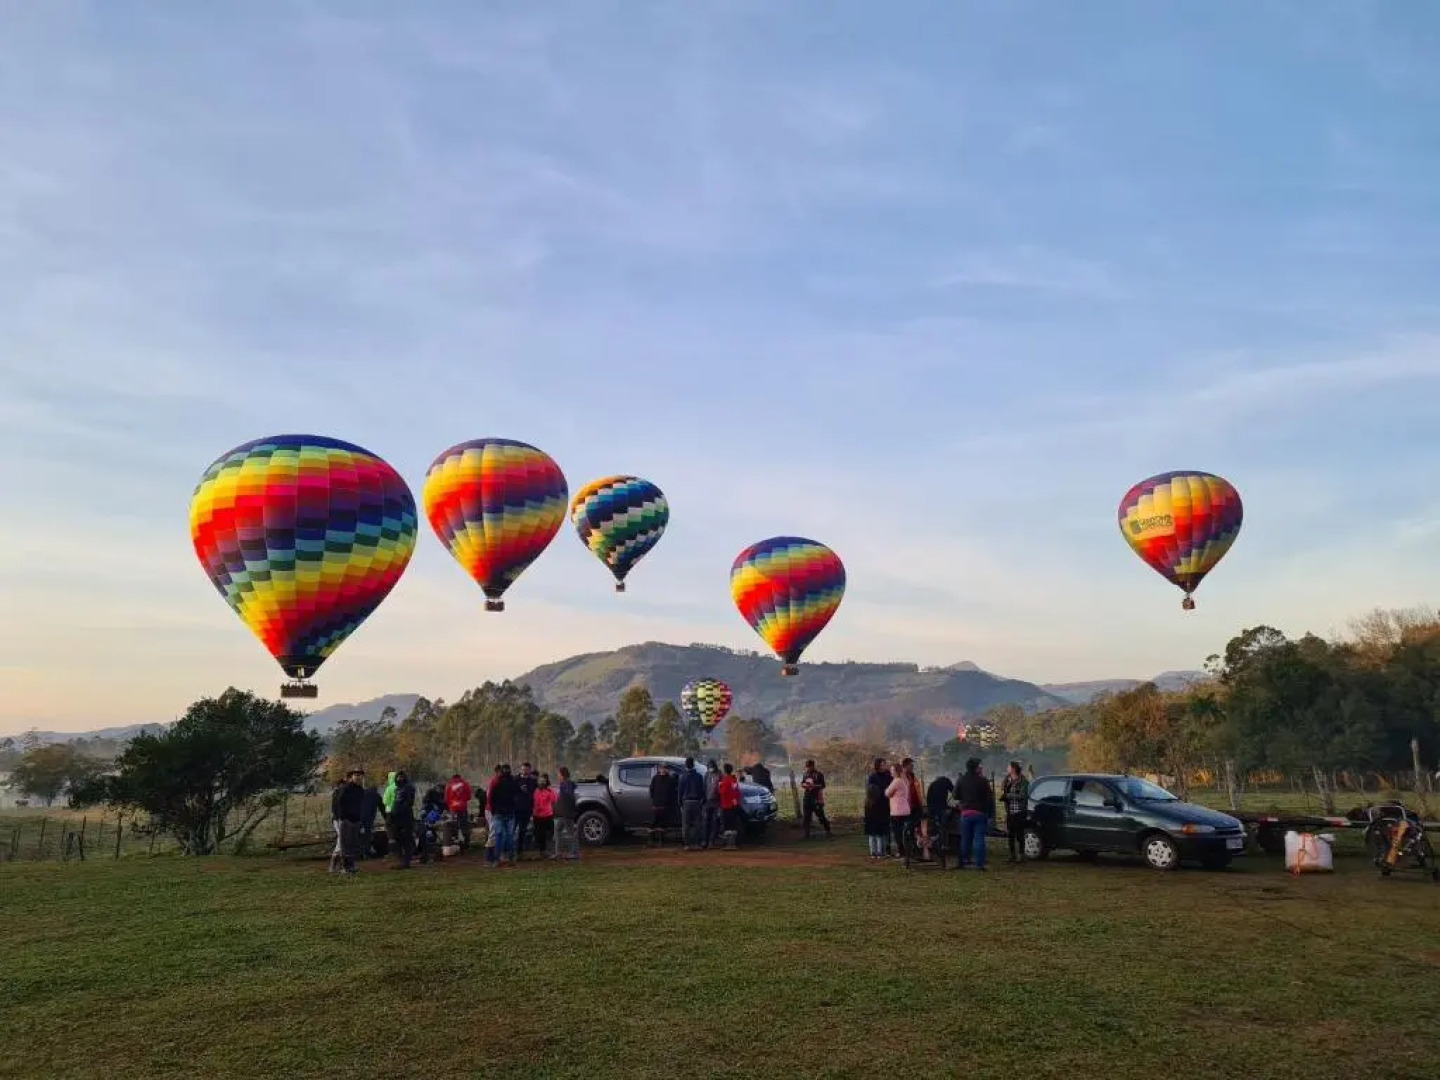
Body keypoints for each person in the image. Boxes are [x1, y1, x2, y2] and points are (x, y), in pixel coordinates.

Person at [957, 758, 995, 870]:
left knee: (965, 839)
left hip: (966, 813)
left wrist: (964, 799)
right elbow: (989, 797)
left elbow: (955, 795)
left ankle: (962, 862)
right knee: (979, 839)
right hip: (980, 813)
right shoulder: (983, 781)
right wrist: (989, 813)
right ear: (976, 768)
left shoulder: (962, 780)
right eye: (979, 766)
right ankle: (979, 864)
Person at [489, 764, 520, 867]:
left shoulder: (497, 783)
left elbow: (491, 798)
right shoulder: (513, 783)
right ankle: (510, 859)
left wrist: (493, 812)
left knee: (498, 836)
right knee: (510, 836)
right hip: (510, 812)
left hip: (498, 813)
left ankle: (497, 860)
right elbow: (518, 795)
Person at [1001, 761, 1030, 863]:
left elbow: (1023, 796)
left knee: (1019, 834)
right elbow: (1003, 790)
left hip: (1019, 811)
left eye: (1008, 766)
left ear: (1013, 768)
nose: (1007, 768)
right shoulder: (1007, 780)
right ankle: (1012, 855)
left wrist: (1009, 796)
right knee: (1010, 834)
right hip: (1010, 811)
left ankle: (1021, 855)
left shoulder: (1023, 782)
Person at [388, 770, 417, 870]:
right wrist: (392, 813)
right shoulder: (397, 790)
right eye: (398, 777)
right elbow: (395, 803)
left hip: (405, 817)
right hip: (396, 817)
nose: (400, 779)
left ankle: (406, 862)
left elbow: (409, 802)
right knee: (397, 838)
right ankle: (401, 860)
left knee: (406, 840)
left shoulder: (409, 788)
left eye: (401, 777)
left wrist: (400, 810)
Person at [866, 757, 894, 857]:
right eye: (882, 764)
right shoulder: (872, 776)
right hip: (873, 806)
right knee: (873, 830)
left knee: (884, 830)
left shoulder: (888, 776)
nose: (884, 766)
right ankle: (874, 852)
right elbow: (870, 791)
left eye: (885, 764)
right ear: (877, 765)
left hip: (885, 805)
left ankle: (883, 851)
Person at [678, 757, 706, 851]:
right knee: (698, 823)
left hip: (686, 802)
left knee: (686, 825)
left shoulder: (682, 777)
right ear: (693, 765)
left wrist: (680, 803)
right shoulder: (699, 776)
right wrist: (702, 802)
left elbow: (680, 791)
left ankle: (687, 844)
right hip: (696, 802)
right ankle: (697, 843)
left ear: (686, 765)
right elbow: (702, 791)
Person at [885, 765, 913, 859]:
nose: (891, 772)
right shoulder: (905, 780)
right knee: (905, 832)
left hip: (897, 811)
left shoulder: (896, 781)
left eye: (892, 770)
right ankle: (908, 851)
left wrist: (887, 791)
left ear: (897, 771)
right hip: (905, 810)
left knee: (898, 833)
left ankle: (901, 852)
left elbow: (887, 793)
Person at [649, 763, 679, 846]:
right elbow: (651, 790)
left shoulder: (670, 779)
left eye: (666, 768)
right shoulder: (655, 778)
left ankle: (661, 841)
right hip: (656, 804)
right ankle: (651, 840)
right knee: (654, 823)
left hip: (665, 805)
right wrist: (654, 800)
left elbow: (673, 790)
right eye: (662, 768)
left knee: (663, 824)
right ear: (659, 769)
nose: (664, 770)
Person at [801, 759, 832, 839]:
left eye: (809, 767)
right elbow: (802, 783)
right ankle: (806, 835)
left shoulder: (818, 774)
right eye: (807, 767)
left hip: (816, 798)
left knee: (821, 815)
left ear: (813, 766)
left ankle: (828, 830)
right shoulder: (805, 774)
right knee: (806, 817)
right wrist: (804, 785)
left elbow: (823, 785)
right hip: (807, 798)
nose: (807, 768)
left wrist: (814, 786)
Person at [927, 770, 956, 856]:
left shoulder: (932, 784)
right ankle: (944, 844)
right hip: (942, 808)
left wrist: (930, 809)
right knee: (944, 826)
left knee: (935, 825)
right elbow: (954, 792)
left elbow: (928, 798)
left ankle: (934, 843)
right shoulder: (946, 781)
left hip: (933, 808)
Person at [554, 765, 579, 861]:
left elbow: (568, 798)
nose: (558, 775)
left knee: (570, 833)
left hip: (566, 813)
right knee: (557, 831)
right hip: (561, 813)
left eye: (559, 774)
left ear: (562, 774)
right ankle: (558, 853)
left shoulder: (566, 784)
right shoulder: (564, 784)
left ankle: (574, 853)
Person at [515, 762, 538, 859]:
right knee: (511, 831)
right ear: (521, 769)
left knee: (522, 831)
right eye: (523, 769)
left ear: (529, 770)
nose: (525, 771)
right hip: (515, 809)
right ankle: (508, 852)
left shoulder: (533, 781)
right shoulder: (515, 779)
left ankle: (520, 852)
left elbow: (535, 795)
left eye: (527, 770)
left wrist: (533, 808)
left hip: (527, 809)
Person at [717, 763, 743, 848]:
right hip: (734, 805)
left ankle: (729, 844)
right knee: (734, 825)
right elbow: (738, 793)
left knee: (727, 826)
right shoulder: (734, 780)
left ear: (725, 771)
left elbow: (722, 792)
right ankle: (734, 843)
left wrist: (719, 786)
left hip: (726, 805)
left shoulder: (725, 780)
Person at [445, 772, 473, 848]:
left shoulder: (449, 785)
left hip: (453, 808)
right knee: (464, 825)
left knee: (453, 825)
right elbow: (469, 797)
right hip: (462, 807)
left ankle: (454, 843)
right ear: (460, 777)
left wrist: (450, 805)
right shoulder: (465, 784)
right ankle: (466, 843)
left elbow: (446, 799)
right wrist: (462, 800)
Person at [532, 773, 557, 858]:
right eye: (540, 781)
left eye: (543, 781)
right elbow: (533, 801)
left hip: (547, 815)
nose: (542, 783)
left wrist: (553, 811)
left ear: (546, 782)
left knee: (549, 834)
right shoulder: (535, 790)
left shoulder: (549, 790)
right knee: (539, 835)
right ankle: (542, 852)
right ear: (538, 782)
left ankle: (550, 851)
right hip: (537, 816)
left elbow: (554, 800)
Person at [702, 757, 723, 850]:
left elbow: (721, 788)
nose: (710, 768)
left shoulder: (720, 774)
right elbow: (704, 787)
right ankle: (705, 841)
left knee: (715, 822)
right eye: (709, 767)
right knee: (706, 822)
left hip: (717, 802)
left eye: (712, 767)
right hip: (707, 801)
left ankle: (712, 841)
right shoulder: (706, 774)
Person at [328, 774, 347, 873]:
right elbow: (336, 808)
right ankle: (339, 864)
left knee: (342, 840)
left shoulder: (338, 793)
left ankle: (336, 863)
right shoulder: (337, 794)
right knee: (341, 840)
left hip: (340, 819)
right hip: (339, 819)